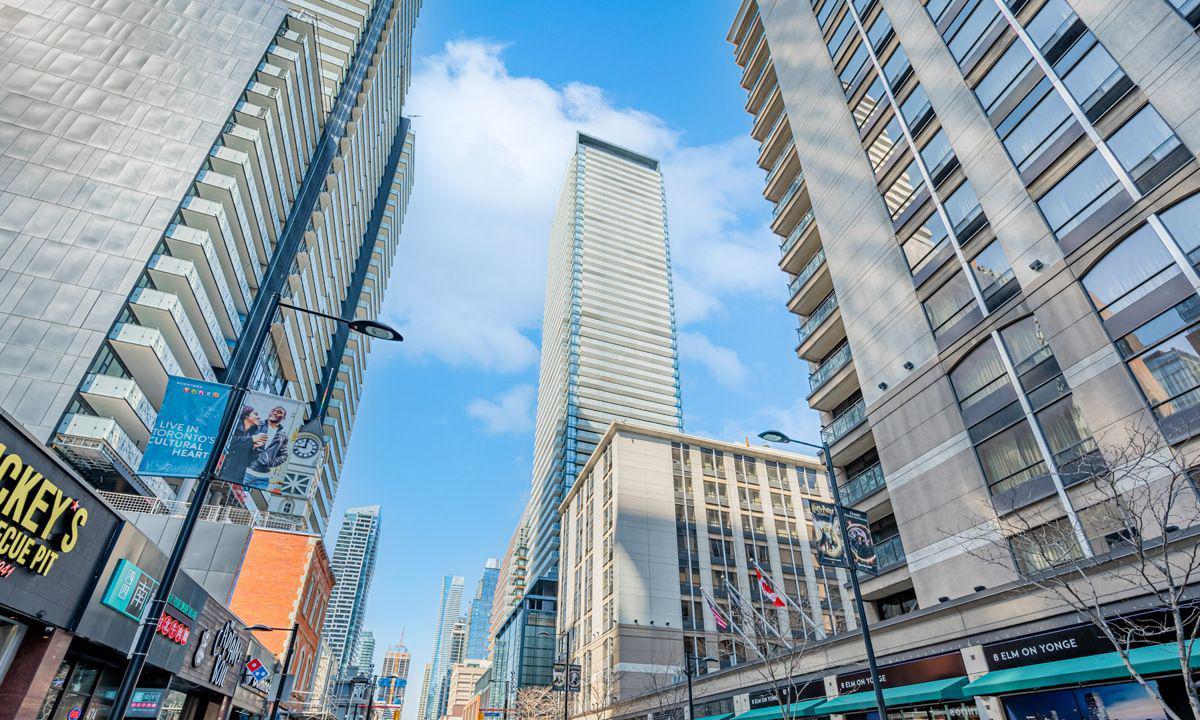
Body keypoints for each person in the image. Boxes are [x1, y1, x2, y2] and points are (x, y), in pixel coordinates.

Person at [244, 405, 290, 489]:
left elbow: (284, 455)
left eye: (279, 412)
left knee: (249, 499)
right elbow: (243, 440)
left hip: (263, 476)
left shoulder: (283, 436)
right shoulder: (256, 425)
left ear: (283, 418)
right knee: (235, 493)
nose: (275, 413)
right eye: (274, 410)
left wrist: (270, 462)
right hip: (246, 469)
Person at [218, 406, 261, 485]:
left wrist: (255, 449)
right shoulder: (234, 426)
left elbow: (248, 462)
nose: (258, 417)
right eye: (255, 414)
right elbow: (229, 442)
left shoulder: (251, 434)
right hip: (219, 469)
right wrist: (251, 440)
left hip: (232, 477)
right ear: (246, 415)